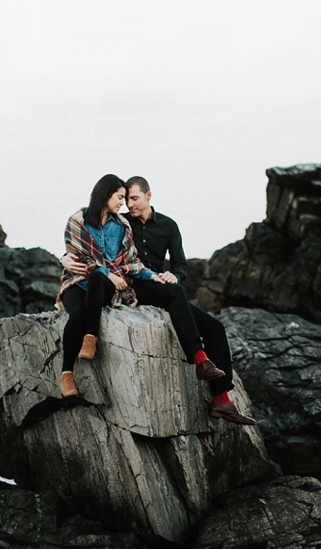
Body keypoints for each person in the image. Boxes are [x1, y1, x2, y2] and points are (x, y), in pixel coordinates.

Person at [62, 176, 256, 425]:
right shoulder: (121, 221)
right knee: (177, 295)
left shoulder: (167, 226)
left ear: (148, 196)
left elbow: (180, 264)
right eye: (125, 198)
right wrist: (65, 258)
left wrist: (173, 275)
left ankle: (221, 399)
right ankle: (198, 358)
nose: (128, 204)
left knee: (214, 327)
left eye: (133, 198)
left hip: (156, 283)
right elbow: (91, 245)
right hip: (134, 285)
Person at [55, 174, 165, 398]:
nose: (123, 203)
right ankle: (67, 375)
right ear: (105, 195)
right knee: (76, 313)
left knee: (97, 278)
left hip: (102, 286)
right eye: (119, 197)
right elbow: (77, 258)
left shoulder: (122, 226)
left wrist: (153, 276)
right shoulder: (77, 220)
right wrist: (108, 272)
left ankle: (91, 337)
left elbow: (130, 262)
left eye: (124, 198)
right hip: (77, 281)